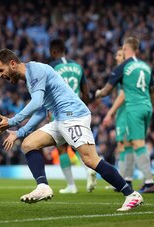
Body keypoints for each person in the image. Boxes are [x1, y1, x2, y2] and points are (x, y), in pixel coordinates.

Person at [0, 48, 143, 211]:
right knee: (29, 144)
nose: (0, 75)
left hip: (73, 116)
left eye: (1, 70)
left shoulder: (35, 70)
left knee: (91, 160)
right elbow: (42, 110)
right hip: (60, 118)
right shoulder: (30, 76)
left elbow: (36, 104)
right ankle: (43, 186)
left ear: (13, 64)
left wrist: (13, 121)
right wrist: (19, 132)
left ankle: (131, 194)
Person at [96, 37, 154, 193]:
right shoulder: (145, 66)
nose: (119, 55)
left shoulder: (123, 67)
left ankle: (149, 182)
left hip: (132, 108)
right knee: (130, 143)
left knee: (136, 144)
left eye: (121, 51)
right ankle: (127, 180)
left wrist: (99, 93)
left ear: (125, 49)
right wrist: (150, 104)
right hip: (147, 106)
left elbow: (110, 90)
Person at [49, 38, 96, 194]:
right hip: (77, 110)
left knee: (62, 149)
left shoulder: (52, 67)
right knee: (79, 145)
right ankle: (89, 170)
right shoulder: (77, 66)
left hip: (59, 110)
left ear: (53, 52)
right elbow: (86, 93)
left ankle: (71, 186)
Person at [103, 47, 134, 190]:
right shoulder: (128, 70)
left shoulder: (123, 71)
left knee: (124, 146)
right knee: (124, 146)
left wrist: (110, 113)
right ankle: (125, 179)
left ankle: (124, 180)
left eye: (119, 55)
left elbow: (123, 95)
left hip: (125, 111)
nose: (116, 57)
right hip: (125, 111)